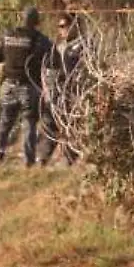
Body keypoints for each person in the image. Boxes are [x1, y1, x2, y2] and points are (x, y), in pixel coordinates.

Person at [0, 7, 53, 165]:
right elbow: (54, 60)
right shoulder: (40, 39)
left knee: (4, 122)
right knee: (29, 124)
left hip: (8, 85)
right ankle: (28, 162)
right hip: (28, 87)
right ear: (36, 22)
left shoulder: (8, 35)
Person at [40, 13, 88, 166]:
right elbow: (47, 68)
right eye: (59, 26)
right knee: (52, 127)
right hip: (58, 93)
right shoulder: (58, 47)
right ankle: (43, 160)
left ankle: (69, 161)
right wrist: (47, 89)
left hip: (77, 93)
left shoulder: (83, 45)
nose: (61, 30)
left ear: (74, 26)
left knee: (72, 127)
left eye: (64, 26)